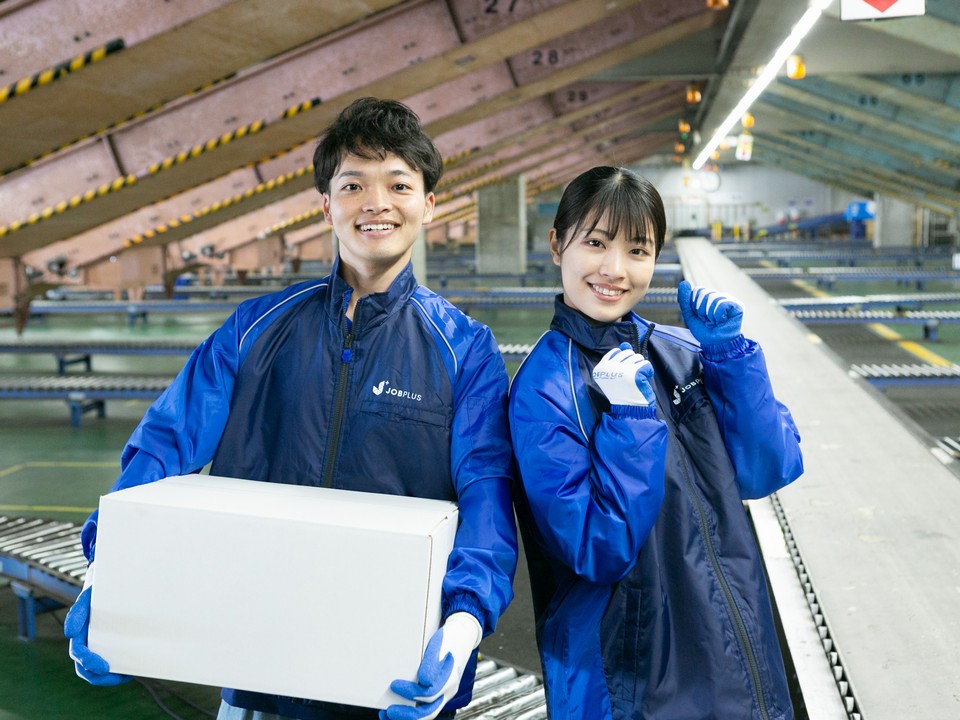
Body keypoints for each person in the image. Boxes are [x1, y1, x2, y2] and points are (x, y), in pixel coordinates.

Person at [63, 97, 518, 720]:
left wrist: (463, 624)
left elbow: (486, 496)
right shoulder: (256, 329)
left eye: (399, 185)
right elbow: (163, 447)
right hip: (259, 673)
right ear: (326, 205)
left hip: (390, 674)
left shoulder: (464, 351)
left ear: (428, 204)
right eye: (353, 184)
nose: (376, 203)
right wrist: (108, 570)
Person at [508, 166, 803, 720]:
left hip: (732, 644)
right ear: (556, 245)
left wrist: (730, 359)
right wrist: (630, 420)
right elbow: (599, 547)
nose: (614, 270)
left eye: (638, 250)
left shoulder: (678, 353)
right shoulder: (544, 389)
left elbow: (768, 469)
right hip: (630, 676)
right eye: (595, 243)